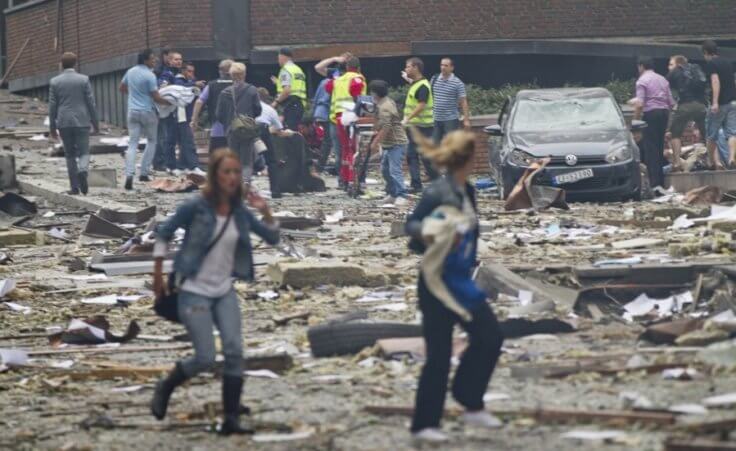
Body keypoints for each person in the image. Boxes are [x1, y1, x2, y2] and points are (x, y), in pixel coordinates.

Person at [151, 148, 280, 435]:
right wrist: (158, 274)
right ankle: (167, 385)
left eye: (236, 172)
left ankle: (231, 420)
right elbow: (163, 232)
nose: (233, 177)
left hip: (223, 290)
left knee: (235, 352)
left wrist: (265, 209)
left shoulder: (240, 213)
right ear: (215, 175)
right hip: (193, 289)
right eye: (226, 171)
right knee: (205, 357)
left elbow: (272, 237)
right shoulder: (195, 206)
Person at [405, 130, 504, 442]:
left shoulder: (467, 191)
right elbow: (411, 226)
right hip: (437, 282)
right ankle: (424, 425)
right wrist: (431, 231)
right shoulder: (438, 192)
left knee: (489, 336)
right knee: (439, 353)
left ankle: (469, 400)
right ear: (469, 158)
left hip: (462, 281)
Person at [48, 52, 99, 195]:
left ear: (61, 64)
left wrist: (52, 127)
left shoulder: (55, 82)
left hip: (64, 121)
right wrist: (95, 123)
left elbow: (52, 106)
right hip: (82, 120)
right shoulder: (83, 80)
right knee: (84, 151)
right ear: (75, 64)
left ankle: (74, 187)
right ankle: (83, 170)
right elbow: (91, 103)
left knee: (70, 154)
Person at [119, 49, 170, 190]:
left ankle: (129, 175)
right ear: (145, 60)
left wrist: (134, 95)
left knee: (133, 143)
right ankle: (144, 173)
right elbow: (156, 97)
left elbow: (122, 88)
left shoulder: (130, 71)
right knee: (152, 140)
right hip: (147, 112)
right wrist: (170, 102)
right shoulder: (150, 75)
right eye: (152, 59)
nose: (155, 61)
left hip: (132, 112)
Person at [215, 63, 262, 184]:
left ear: (231, 75)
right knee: (246, 159)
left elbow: (218, 114)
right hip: (247, 129)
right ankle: (245, 182)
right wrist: (248, 119)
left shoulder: (224, 92)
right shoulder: (252, 90)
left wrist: (228, 123)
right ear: (244, 74)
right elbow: (258, 109)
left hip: (231, 130)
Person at [632, 56, 674, 189]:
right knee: (659, 147)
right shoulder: (662, 79)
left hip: (651, 114)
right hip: (664, 114)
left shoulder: (642, 81)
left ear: (641, 66)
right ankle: (660, 182)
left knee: (650, 149)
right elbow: (671, 103)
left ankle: (655, 184)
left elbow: (639, 104)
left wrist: (635, 122)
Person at [326, 55, 366, 189]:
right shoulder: (357, 79)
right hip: (352, 117)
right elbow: (358, 98)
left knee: (344, 149)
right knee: (354, 149)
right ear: (358, 68)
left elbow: (328, 88)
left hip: (338, 118)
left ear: (347, 67)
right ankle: (352, 179)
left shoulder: (336, 80)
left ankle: (343, 179)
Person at [369, 80, 409, 206]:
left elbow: (386, 127)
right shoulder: (383, 103)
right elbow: (381, 123)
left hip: (396, 142)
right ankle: (392, 193)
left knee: (394, 170)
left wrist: (375, 142)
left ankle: (402, 195)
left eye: (371, 92)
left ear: (375, 93)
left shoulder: (385, 106)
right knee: (385, 169)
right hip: (389, 144)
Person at [403, 57, 439, 192]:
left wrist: (407, 119)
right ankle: (416, 184)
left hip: (423, 127)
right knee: (412, 155)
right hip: (415, 127)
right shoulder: (417, 84)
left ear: (415, 68)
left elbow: (421, 105)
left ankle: (437, 182)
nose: (406, 69)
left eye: (408, 66)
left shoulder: (423, 86)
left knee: (425, 158)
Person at [666, 55, 707, 171]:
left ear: (678, 64)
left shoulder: (676, 71)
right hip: (701, 105)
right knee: (708, 135)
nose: (669, 67)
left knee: (675, 134)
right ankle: (715, 161)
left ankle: (677, 163)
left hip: (685, 106)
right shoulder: (695, 70)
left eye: (671, 64)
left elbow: (664, 84)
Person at [163, 61, 203, 176]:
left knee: (181, 141)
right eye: (189, 71)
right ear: (184, 71)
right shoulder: (178, 80)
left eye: (193, 72)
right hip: (179, 115)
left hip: (183, 116)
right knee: (184, 140)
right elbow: (179, 88)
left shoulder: (188, 81)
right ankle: (192, 165)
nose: (191, 74)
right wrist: (194, 84)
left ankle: (181, 165)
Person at [702, 40, 736, 168]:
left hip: (720, 103)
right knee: (732, 133)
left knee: (712, 134)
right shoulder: (728, 62)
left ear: (706, 52)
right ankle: (732, 158)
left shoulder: (711, 64)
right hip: (733, 102)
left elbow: (715, 82)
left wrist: (715, 102)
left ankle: (712, 162)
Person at [316, 54, 351, 175]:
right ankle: (340, 175)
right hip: (332, 115)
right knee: (335, 145)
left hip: (345, 114)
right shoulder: (335, 73)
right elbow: (318, 68)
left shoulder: (353, 75)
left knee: (342, 146)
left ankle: (345, 175)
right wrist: (334, 59)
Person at [191, 59, 234, 152]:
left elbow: (199, 102)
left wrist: (194, 119)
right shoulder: (239, 85)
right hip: (236, 128)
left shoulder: (212, 85)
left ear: (220, 71)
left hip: (217, 127)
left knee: (216, 157)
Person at [256, 87, 292, 199]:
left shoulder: (248, 106)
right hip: (263, 129)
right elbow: (279, 130)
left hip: (248, 130)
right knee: (271, 161)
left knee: (245, 159)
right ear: (267, 98)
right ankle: (275, 191)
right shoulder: (270, 109)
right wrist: (288, 133)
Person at [430, 58, 471, 143]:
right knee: (434, 145)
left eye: (446, 65)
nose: (443, 67)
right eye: (441, 65)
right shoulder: (434, 79)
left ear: (452, 68)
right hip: (436, 119)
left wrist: (466, 120)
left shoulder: (457, 83)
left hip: (450, 120)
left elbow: (463, 102)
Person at [271, 48, 307, 131]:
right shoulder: (298, 70)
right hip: (299, 104)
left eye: (278, 58)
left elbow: (287, 90)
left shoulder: (285, 70)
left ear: (283, 57)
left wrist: (275, 102)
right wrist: (278, 82)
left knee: (288, 132)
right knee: (293, 130)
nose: (278, 60)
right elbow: (295, 86)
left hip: (290, 104)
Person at [311, 68, 337, 172]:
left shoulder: (322, 82)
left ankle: (320, 163)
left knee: (326, 139)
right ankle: (320, 165)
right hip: (327, 113)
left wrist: (314, 112)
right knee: (328, 140)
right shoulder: (332, 83)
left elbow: (316, 98)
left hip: (319, 112)